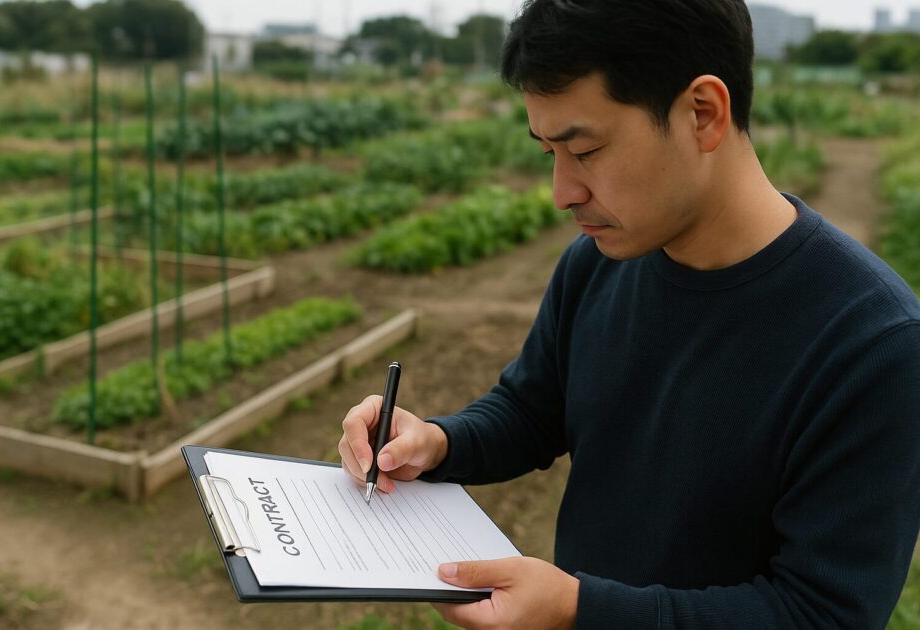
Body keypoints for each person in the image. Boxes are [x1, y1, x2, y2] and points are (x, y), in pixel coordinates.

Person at [338, 0, 920, 627]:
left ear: (703, 114)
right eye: (547, 154)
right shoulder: (597, 265)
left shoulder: (874, 343)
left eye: (584, 150)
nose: (563, 192)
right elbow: (535, 409)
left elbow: (823, 614)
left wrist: (581, 611)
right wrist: (439, 441)